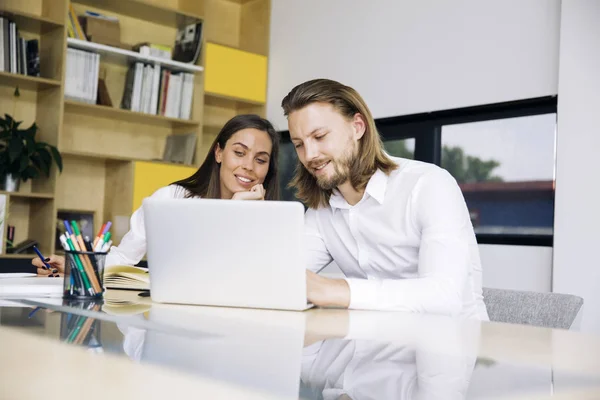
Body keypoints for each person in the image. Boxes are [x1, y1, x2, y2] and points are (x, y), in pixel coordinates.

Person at [282, 78, 488, 319]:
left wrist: (338, 290)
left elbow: (444, 297)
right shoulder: (321, 211)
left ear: (357, 127)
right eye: (298, 144)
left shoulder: (429, 185)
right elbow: (283, 277)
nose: (310, 155)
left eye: (319, 136)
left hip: (448, 346)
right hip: (371, 344)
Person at [33, 114, 280, 276]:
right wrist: (75, 268)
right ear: (219, 153)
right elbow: (124, 257)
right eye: (239, 152)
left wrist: (241, 212)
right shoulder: (172, 199)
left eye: (260, 159)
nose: (249, 165)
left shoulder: (272, 220)